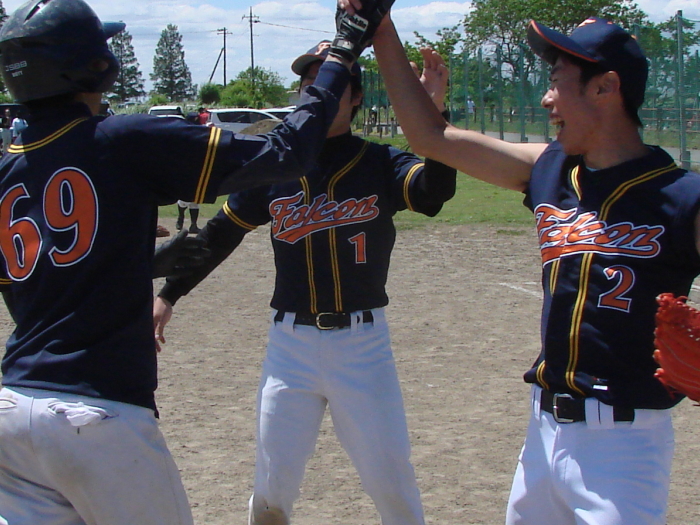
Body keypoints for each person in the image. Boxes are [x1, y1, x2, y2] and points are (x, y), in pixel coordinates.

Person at [0, 0, 368, 522]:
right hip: (95, 412)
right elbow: (287, 153)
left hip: (13, 410)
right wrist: (343, 52)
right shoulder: (121, 138)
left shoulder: (7, 172)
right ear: (95, 66)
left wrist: (141, 263)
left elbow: (34, 290)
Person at [358, 5, 700, 525]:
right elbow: (431, 140)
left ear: (606, 87)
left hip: (624, 449)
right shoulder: (549, 170)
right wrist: (382, 29)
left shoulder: (682, 197)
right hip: (542, 437)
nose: (546, 98)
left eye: (557, 81)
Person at [152, 39, 456, 525]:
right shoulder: (277, 167)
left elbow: (433, 192)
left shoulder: (379, 161)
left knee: (393, 484)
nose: (321, 92)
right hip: (288, 348)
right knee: (270, 491)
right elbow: (220, 234)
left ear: (356, 97)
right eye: (311, 84)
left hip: (363, 346)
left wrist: (434, 118)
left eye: (333, 84)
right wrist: (169, 294)